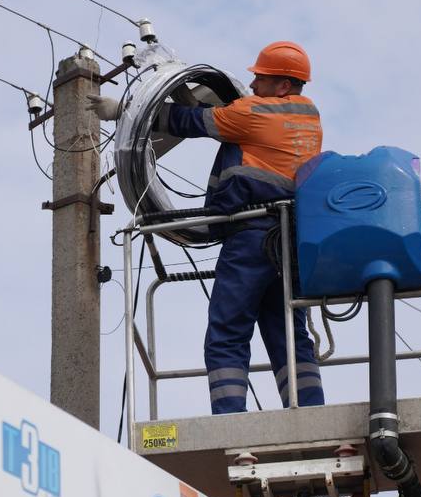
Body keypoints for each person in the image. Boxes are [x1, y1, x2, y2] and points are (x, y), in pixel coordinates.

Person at [88, 41, 325, 414]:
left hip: (250, 235)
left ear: (283, 85)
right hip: (289, 240)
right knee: (289, 335)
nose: (255, 84)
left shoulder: (254, 113)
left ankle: (232, 421)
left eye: (262, 78)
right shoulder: (309, 118)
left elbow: (192, 122)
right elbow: (224, 119)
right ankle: (312, 414)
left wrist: (123, 110)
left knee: (227, 332)